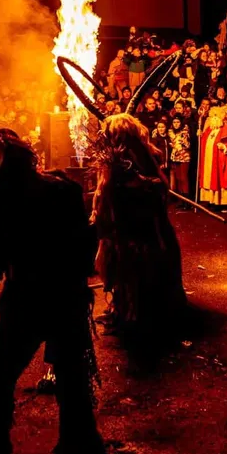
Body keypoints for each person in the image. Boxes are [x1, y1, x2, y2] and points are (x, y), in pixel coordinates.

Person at [0, 129, 103, 454]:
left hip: (27, 302)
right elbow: (86, 247)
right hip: (65, 300)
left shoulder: (0, 201)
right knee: (72, 379)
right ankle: (79, 445)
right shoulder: (64, 188)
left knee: (1, 375)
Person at [89, 113, 187, 340]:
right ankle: (124, 308)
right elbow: (105, 192)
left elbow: (159, 187)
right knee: (125, 270)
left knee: (138, 270)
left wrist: (139, 184)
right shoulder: (114, 159)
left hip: (141, 227)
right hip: (126, 225)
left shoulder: (142, 155)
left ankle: (138, 315)